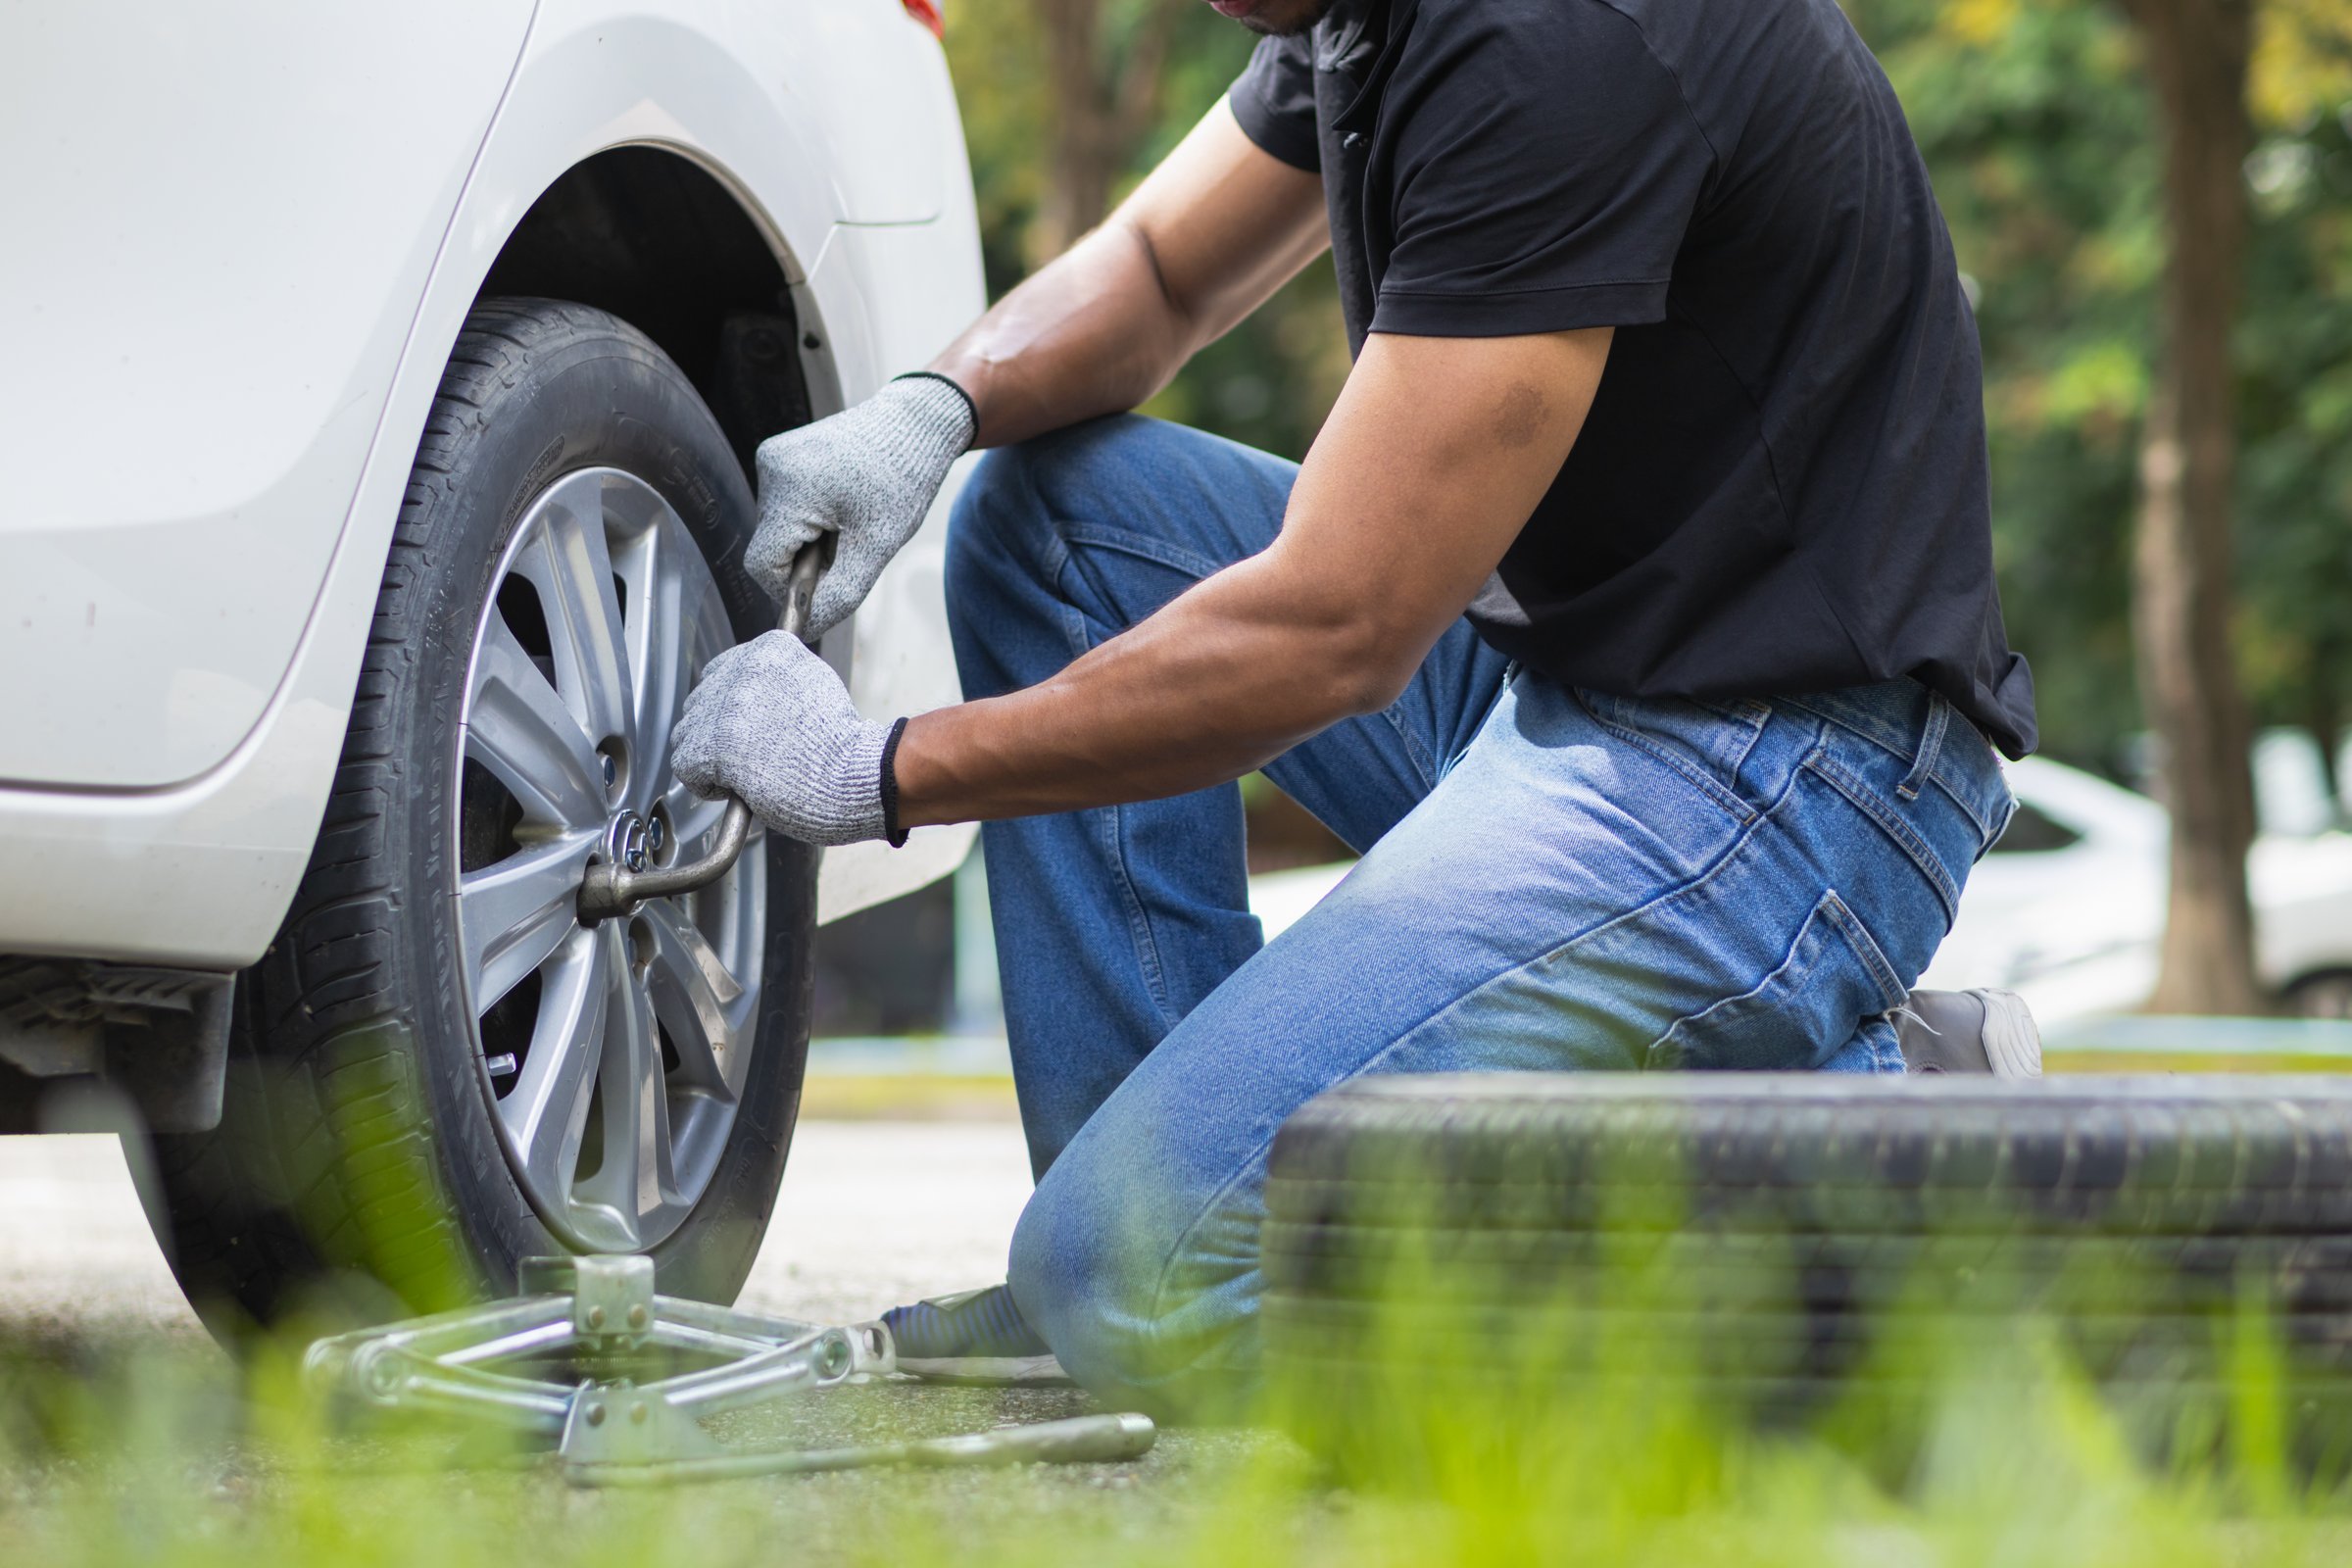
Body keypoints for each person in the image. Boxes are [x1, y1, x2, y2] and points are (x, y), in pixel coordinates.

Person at [669, 0, 2040, 1418]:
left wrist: (874, 771)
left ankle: (1863, 1162)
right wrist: (934, 407)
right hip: (1572, 688)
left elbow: (1337, 627)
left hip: (1781, 780)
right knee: (1060, 525)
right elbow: (1152, 270)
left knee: (1131, 1280)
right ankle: (1159, 1236)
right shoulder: (1363, 19)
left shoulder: (1557, 41)